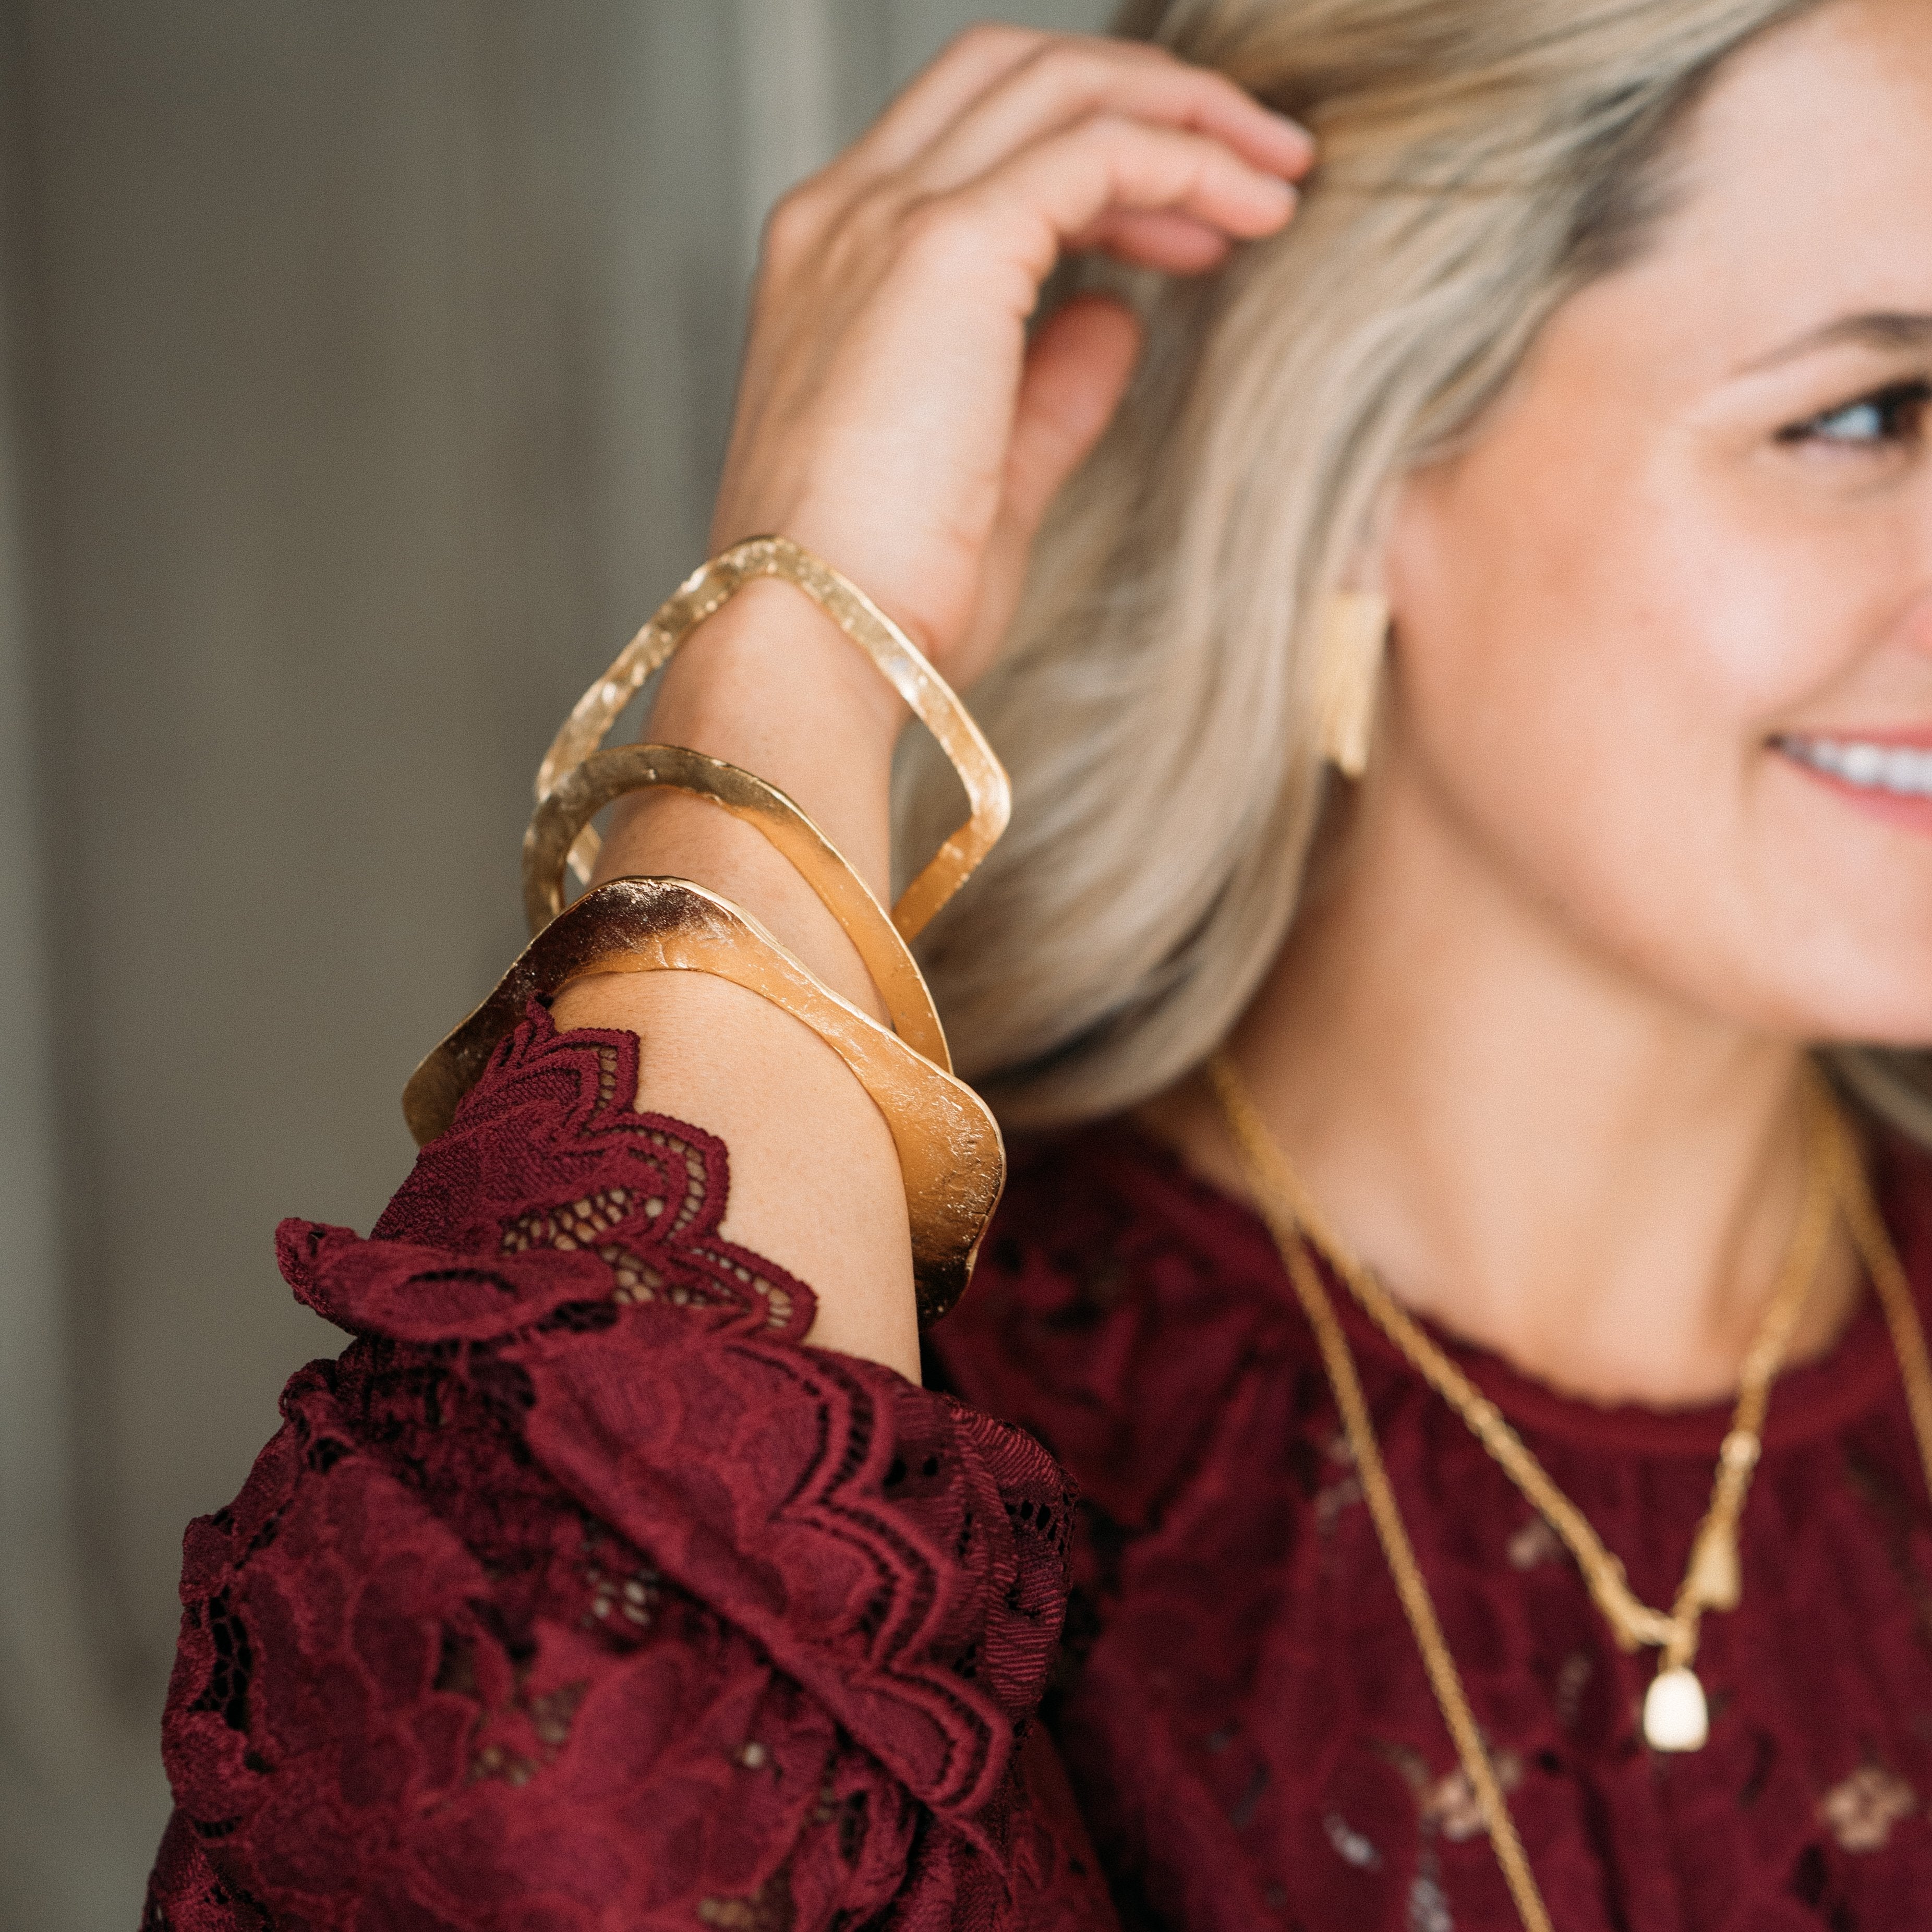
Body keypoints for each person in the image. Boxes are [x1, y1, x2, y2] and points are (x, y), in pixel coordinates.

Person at [143, 0, 1932, 1926]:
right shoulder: (885, 1454)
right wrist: (804, 636)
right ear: (1353, 452)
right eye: (1866, 417)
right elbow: (544, 1851)